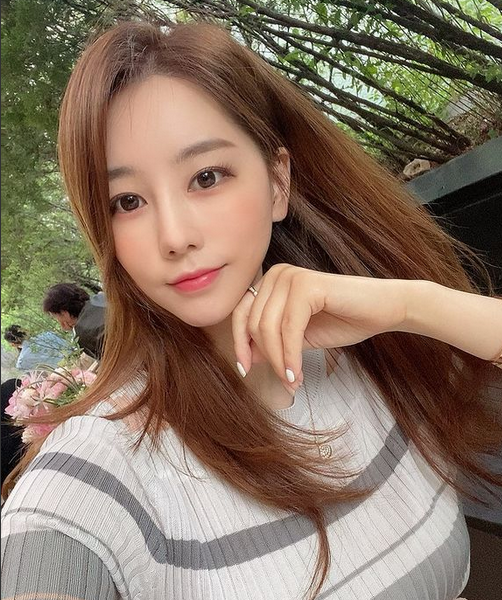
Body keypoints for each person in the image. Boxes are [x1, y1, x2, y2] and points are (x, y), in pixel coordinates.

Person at [1, 21, 501, 600]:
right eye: (127, 201)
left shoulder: (373, 350)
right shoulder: (102, 467)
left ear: (277, 182)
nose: (175, 236)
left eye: (206, 177)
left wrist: (413, 305)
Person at [42, 282, 106, 359]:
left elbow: (106, 360)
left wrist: (75, 331)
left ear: (64, 313)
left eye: (55, 317)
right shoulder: (103, 297)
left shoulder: (83, 336)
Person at [3, 324, 71, 372]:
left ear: (13, 344)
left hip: (63, 378)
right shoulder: (49, 335)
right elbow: (69, 347)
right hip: (75, 361)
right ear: (25, 331)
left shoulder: (21, 363)